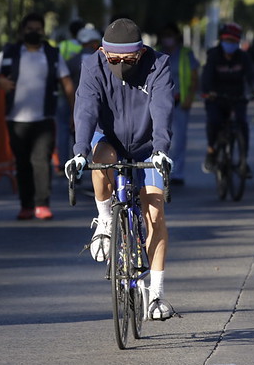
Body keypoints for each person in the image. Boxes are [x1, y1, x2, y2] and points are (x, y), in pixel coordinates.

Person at [65, 17, 177, 321]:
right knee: (100, 157)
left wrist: (161, 150)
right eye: (112, 58)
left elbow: (163, 108)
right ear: (103, 53)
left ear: (140, 54)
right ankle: (104, 220)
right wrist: (79, 152)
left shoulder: (158, 65)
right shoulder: (93, 65)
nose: (119, 64)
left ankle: (156, 295)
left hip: (148, 144)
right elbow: (85, 107)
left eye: (127, 60)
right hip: (110, 138)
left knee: (154, 212)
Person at [0, 12, 74, 220]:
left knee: (41, 161)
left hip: (44, 118)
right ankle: (26, 205)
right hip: (15, 119)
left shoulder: (52, 54)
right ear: (22, 31)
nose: (33, 32)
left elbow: (67, 84)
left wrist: (74, 112)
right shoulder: (10, 52)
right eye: (29, 29)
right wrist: (0, 82)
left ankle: (42, 204)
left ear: (43, 31)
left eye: (37, 29)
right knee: (22, 163)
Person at [200, 22, 254, 175]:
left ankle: (244, 161)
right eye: (227, 41)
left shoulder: (243, 57)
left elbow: (251, 76)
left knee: (242, 124)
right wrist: (208, 91)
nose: (230, 44)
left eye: (233, 41)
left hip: (237, 97)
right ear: (221, 40)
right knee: (214, 121)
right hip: (216, 97)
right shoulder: (213, 55)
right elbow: (206, 77)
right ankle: (211, 150)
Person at [158, 22, 199, 186]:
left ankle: (177, 173)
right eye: (165, 35)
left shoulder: (185, 53)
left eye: (170, 35)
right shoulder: (156, 51)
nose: (168, 39)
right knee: (160, 137)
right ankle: (160, 170)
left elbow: (195, 75)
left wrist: (189, 96)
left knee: (179, 139)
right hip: (160, 101)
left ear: (176, 37)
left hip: (179, 101)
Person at [56, 19, 86, 167]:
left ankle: (62, 162)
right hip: (81, 94)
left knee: (62, 129)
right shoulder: (85, 48)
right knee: (79, 129)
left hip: (64, 92)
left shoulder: (63, 46)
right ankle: (78, 161)